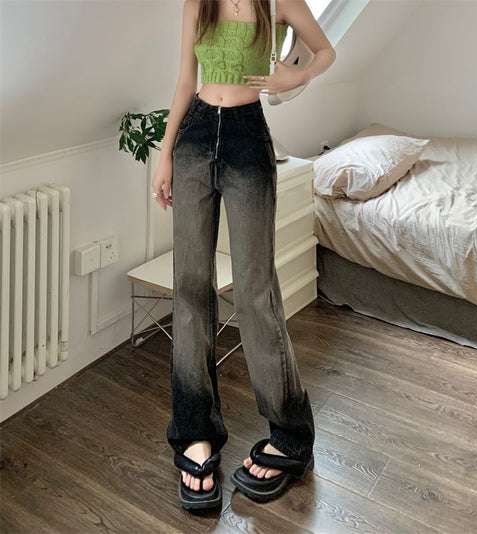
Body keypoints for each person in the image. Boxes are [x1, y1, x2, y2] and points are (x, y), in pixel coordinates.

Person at [151, 0, 335, 511]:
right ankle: (194, 431)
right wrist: (165, 155)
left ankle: (291, 437)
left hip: (247, 138)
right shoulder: (197, 2)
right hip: (194, 138)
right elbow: (185, 81)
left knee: (256, 292)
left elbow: (325, 50)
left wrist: (294, 77)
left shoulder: (276, 2)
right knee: (191, 288)